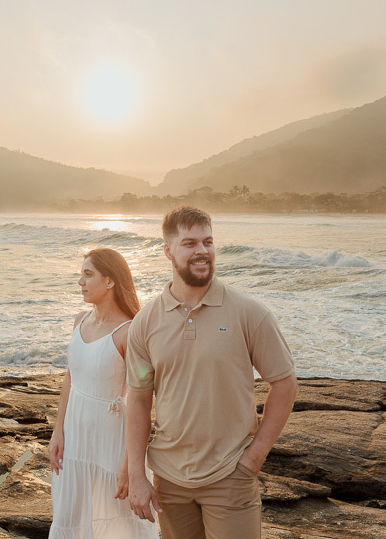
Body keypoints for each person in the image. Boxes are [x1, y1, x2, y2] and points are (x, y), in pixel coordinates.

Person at [126, 206, 298, 539]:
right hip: (169, 479)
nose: (202, 251)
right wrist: (137, 475)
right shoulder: (146, 323)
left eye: (208, 242)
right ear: (168, 250)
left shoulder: (249, 313)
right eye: (189, 243)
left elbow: (285, 383)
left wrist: (256, 454)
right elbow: (138, 399)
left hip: (230, 475)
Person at [48, 248, 159, 539]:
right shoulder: (79, 320)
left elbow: (142, 401)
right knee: (70, 513)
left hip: (111, 441)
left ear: (109, 281)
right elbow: (70, 378)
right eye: (80, 274)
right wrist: (57, 432)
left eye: (88, 274)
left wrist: (130, 467)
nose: (80, 282)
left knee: (118, 522)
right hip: (75, 435)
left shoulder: (129, 332)